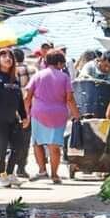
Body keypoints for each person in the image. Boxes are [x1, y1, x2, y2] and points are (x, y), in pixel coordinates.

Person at [24, 50, 80, 184]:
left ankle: (42, 170)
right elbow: (70, 98)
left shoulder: (38, 75)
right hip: (58, 114)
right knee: (54, 146)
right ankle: (55, 175)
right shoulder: (64, 77)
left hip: (38, 113)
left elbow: (27, 96)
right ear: (60, 63)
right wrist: (76, 115)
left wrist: (26, 113)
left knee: (37, 143)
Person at [0, 48, 27, 188]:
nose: (8, 58)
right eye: (4, 56)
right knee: (1, 149)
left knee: (18, 147)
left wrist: (24, 116)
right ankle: (0, 176)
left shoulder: (14, 79)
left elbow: (19, 99)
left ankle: (9, 173)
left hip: (13, 120)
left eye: (10, 56)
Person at [10, 48, 34, 178]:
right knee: (25, 140)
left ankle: (9, 168)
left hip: (10, 109)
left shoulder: (9, 71)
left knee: (11, 140)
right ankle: (21, 167)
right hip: (27, 109)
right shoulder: (32, 70)